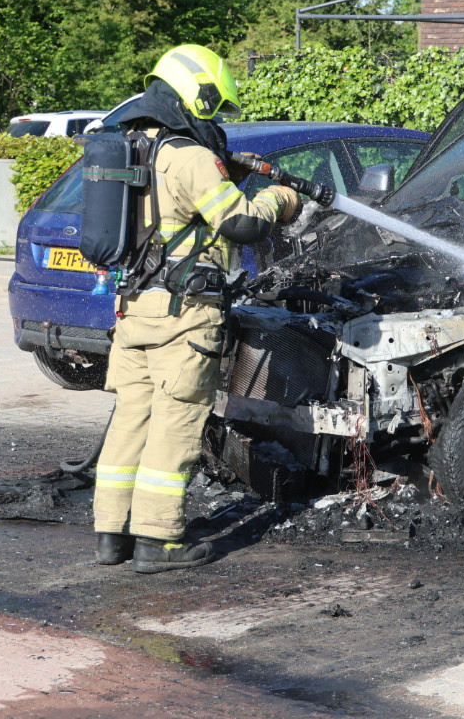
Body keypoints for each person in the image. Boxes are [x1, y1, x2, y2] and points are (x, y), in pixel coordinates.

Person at [91, 44, 303, 573]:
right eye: (213, 106)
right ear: (197, 95)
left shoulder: (136, 148)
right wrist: (282, 198)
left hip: (135, 308)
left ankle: (111, 535)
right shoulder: (189, 157)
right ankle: (159, 541)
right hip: (184, 317)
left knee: (130, 421)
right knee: (175, 421)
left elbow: (171, 211)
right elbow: (243, 224)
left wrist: (227, 170)